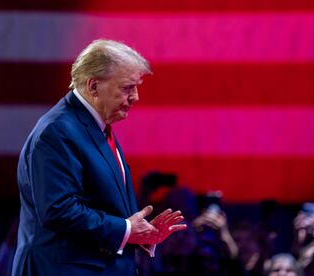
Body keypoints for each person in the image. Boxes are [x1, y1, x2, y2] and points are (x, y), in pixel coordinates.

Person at [12, 39, 187, 276]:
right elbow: (58, 210)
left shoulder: (96, 127)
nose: (135, 96)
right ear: (93, 86)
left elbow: (103, 206)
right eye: (127, 88)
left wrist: (141, 233)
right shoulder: (57, 131)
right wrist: (125, 229)